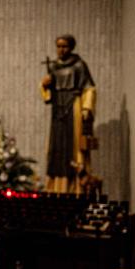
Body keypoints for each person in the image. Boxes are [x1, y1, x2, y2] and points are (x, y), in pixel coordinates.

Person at [40, 34, 96, 193]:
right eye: (58, 46)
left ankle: (75, 188)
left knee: (73, 146)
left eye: (64, 46)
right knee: (57, 146)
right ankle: (55, 188)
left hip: (74, 106)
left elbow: (89, 88)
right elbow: (48, 95)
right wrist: (44, 86)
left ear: (71, 47)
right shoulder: (53, 66)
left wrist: (86, 108)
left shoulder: (79, 65)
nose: (61, 50)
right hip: (58, 108)